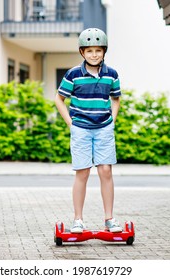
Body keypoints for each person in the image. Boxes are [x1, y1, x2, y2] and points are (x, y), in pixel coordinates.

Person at [55, 28, 122, 233]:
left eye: (98, 50)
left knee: (105, 171)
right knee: (82, 172)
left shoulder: (111, 74)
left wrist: (112, 120)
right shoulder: (74, 74)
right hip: (81, 129)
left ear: (104, 51)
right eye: (90, 50)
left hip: (103, 128)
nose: (94, 54)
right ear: (82, 52)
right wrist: (70, 123)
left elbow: (116, 98)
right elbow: (59, 99)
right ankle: (78, 220)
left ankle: (109, 219)